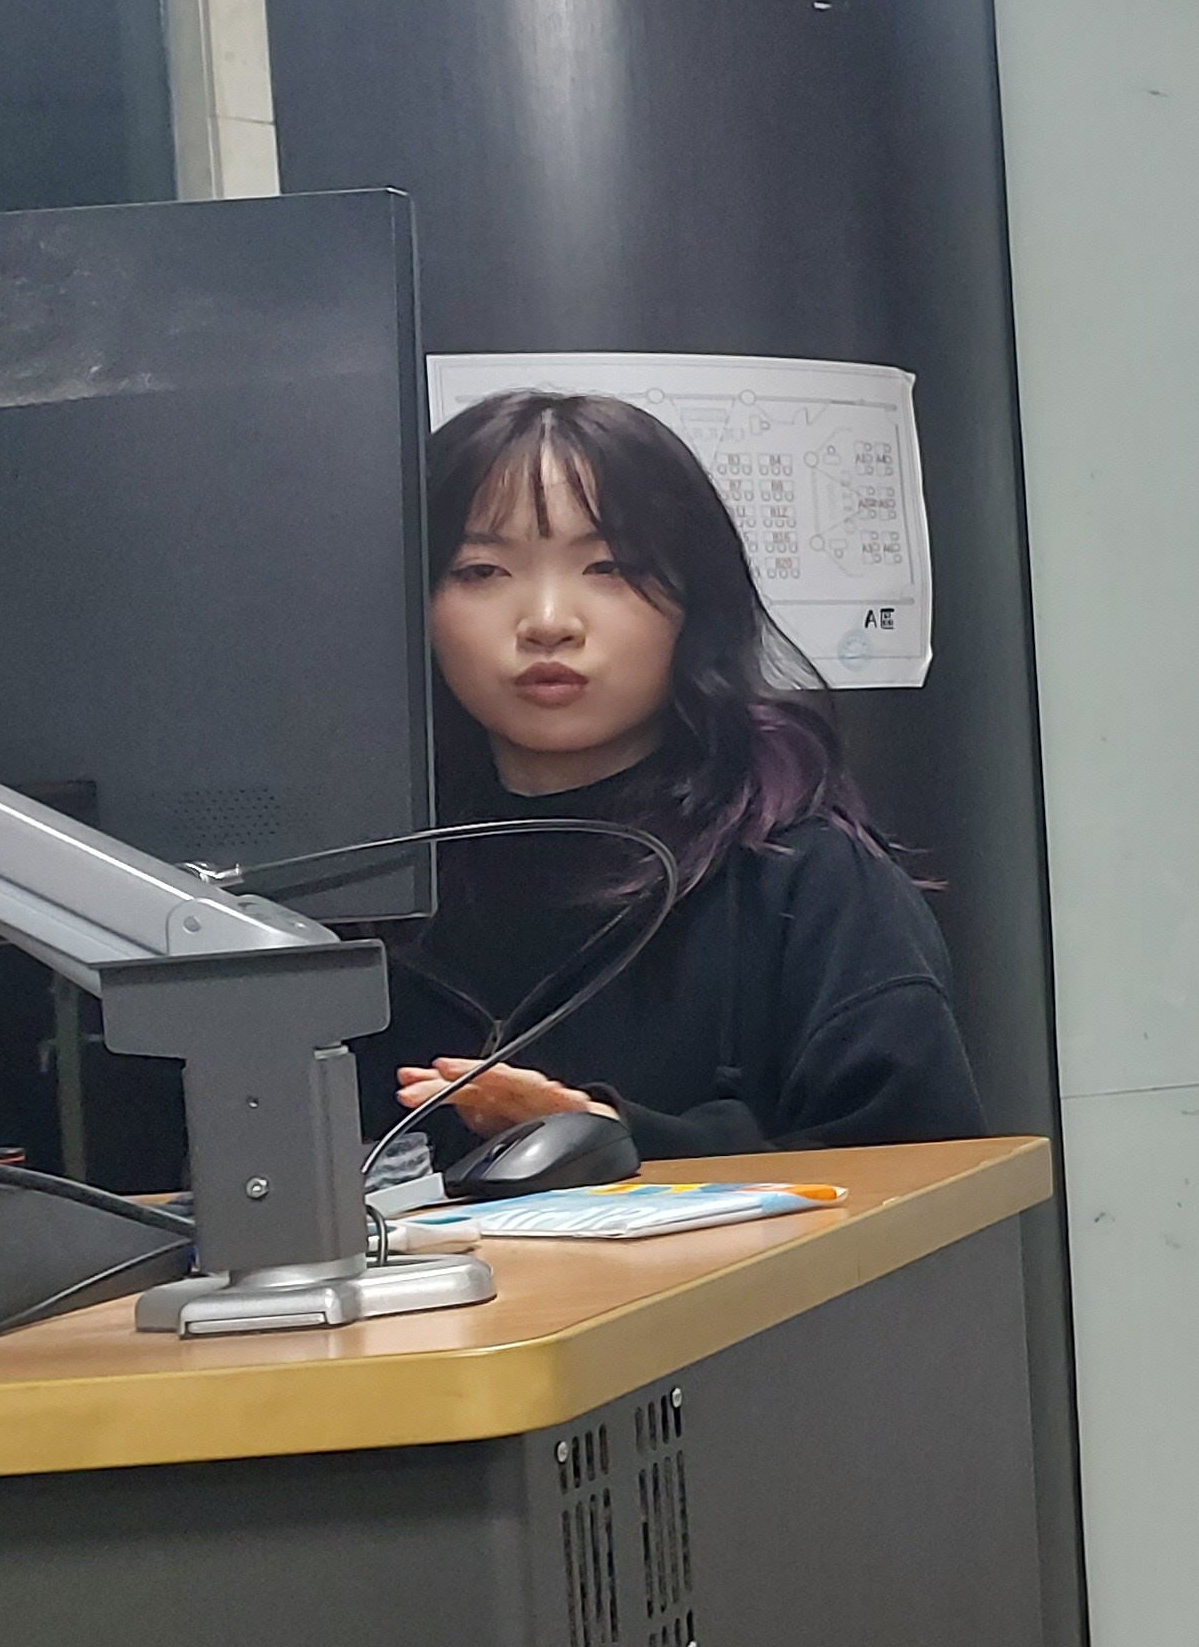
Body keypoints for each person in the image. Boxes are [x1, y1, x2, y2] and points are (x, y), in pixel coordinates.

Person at [364, 390, 984, 1158]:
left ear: (695, 601)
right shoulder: (362, 891)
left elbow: (925, 1173)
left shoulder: (804, 880)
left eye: (611, 567)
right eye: (482, 570)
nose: (548, 620)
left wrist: (623, 1143)